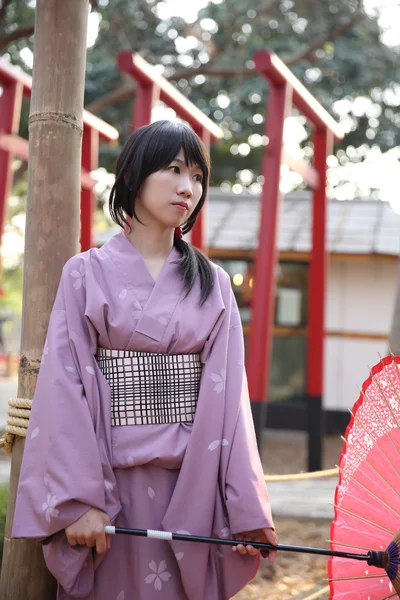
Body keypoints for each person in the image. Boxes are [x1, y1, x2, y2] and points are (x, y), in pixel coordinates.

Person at [12, 120, 277, 599]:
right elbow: (63, 388)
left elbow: (230, 404)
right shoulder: (84, 274)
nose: (188, 188)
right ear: (133, 175)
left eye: (198, 176)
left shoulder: (213, 284)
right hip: (105, 491)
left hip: (190, 491)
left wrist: (246, 511)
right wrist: (78, 501)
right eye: (174, 169)